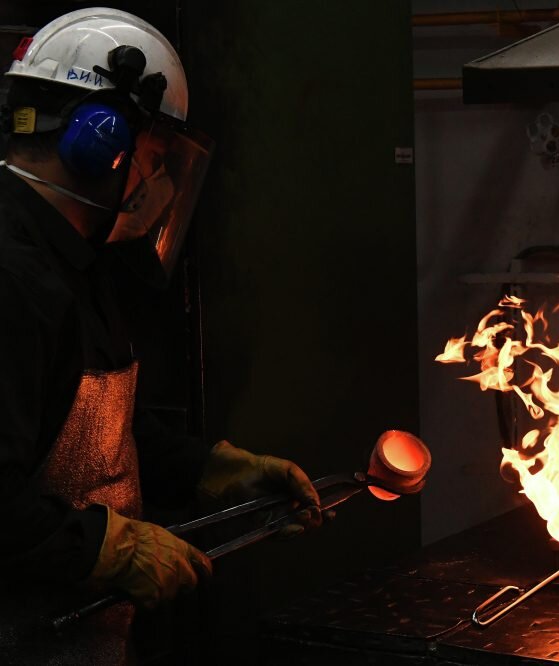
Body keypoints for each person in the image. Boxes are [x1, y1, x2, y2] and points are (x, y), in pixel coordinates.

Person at [0, 8, 325, 664]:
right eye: (154, 155)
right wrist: (107, 548)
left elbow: (90, 430)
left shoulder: (77, 263)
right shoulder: (13, 279)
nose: (160, 181)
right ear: (99, 141)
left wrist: (211, 470)